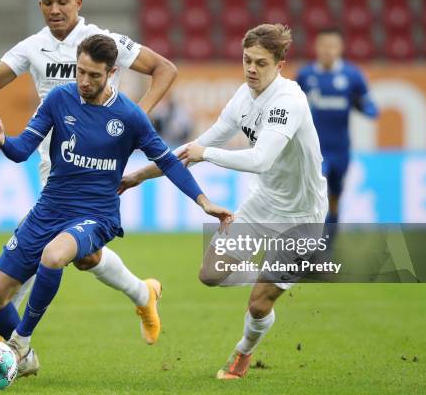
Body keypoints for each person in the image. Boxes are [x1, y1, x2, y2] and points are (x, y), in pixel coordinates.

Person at [0, 0, 178, 351]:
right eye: (47, 2)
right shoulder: (32, 47)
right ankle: (143, 293)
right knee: (84, 257)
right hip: (52, 161)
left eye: (62, 2)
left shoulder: (103, 43)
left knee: (51, 248)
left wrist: (135, 118)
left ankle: (4, 331)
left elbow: (165, 68)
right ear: (40, 6)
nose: (55, 9)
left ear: (78, 4)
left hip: (96, 159)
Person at [0, 34, 234, 376]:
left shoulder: (129, 116)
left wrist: (203, 201)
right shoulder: (59, 98)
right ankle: (26, 361)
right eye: (80, 72)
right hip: (49, 209)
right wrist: (2, 139)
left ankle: (20, 343)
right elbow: (22, 149)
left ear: (112, 72)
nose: (84, 81)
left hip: (95, 215)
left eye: (94, 75)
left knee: (54, 257)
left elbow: (169, 161)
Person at [118, 24, 328, 379]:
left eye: (261, 63)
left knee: (259, 304)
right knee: (211, 274)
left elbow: (260, 159)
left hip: (303, 216)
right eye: (247, 60)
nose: (251, 69)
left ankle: (242, 355)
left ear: (280, 64)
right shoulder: (243, 99)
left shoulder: (289, 101)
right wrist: (138, 176)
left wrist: (208, 154)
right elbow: (192, 148)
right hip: (264, 204)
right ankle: (271, 275)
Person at [296, 28, 378, 228]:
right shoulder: (305, 75)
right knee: (316, 194)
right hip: (315, 149)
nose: (327, 50)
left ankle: (329, 243)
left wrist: (361, 106)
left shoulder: (352, 76)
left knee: (334, 198)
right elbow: (291, 105)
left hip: (341, 149)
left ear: (340, 48)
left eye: (332, 46)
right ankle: (309, 244)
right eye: (324, 45)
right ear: (316, 47)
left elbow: (372, 109)